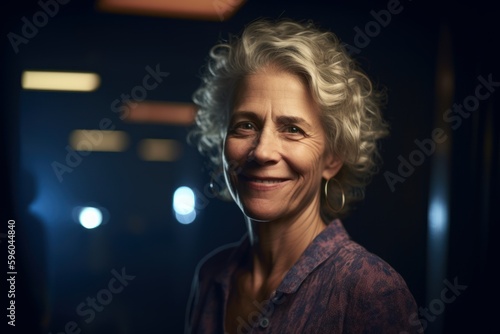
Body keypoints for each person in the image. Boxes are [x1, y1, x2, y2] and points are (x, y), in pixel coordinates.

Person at [185, 18, 422, 334]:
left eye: (293, 129)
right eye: (245, 125)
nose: (262, 151)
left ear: (333, 157)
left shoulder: (368, 290)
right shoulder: (211, 276)